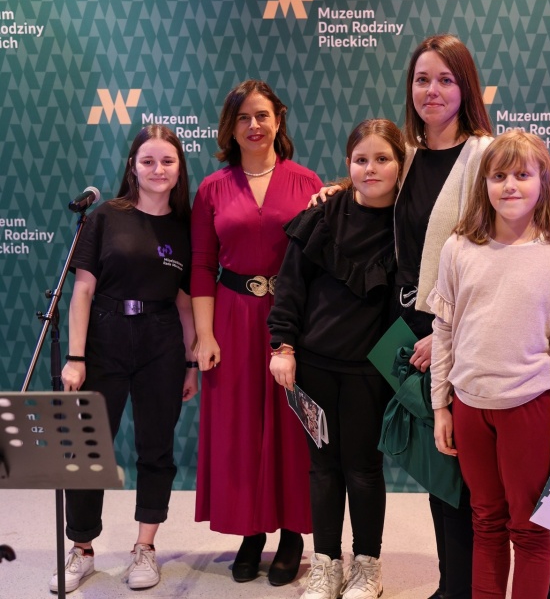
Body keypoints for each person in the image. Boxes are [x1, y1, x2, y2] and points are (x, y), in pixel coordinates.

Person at [314, 34, 493, 599]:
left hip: (460, 335)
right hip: (408, 333)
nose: (432, 90)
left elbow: (497, 256)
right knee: (439, 466)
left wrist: (448, 336)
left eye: (445, 79)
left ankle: (482, 585)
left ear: (466, 87)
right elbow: (375, 185)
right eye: (421, 79)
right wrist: (338, 188)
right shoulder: (409, 157)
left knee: (473, 472)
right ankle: (452, 583)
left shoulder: (486, 157)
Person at [427, 131, 550, 598]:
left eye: (522, 175)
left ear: (544, 182)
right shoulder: (458, 249)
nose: (509, 185)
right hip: (469, 407)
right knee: (485, 521)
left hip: (529, 408)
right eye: (498, 175)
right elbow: (444, 332)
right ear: (483, 183)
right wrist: (441, 405)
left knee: (529, 528)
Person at [50, 125, 199, 593]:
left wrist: (190, 362)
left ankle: (145, 548)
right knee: (87, 448)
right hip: (105, 337)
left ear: (179, 169)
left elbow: (185, 303)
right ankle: (82, 550)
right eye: (148, 160)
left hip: (161, 341)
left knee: (156, 448)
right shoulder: (105, 217)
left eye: (167, 161)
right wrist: (76, 357)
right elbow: (83, 291)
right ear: (133, 166)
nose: (158, 169)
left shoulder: (187, 226)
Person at [191, 79, 322, 586]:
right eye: (243, 117)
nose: (254, 125)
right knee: (240, 430)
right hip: (232, 317)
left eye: (262, 115)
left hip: (292, 318)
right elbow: (202, 266)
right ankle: (250, 533)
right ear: (230, 127)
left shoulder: (306, 182)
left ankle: (291, 535)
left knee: (291, 428)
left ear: (278, 120)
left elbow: (318, 262)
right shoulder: (212, 188)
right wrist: (205, 336)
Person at [269, 119, 403, 599]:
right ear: (349, 164)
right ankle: (325, 564)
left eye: (382, 159)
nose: (371, 168)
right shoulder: (323, 214)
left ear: (400, 165)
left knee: (363, 468)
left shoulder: (408, 225)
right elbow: (290, 286)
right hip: (315, 365)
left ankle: (368, 566)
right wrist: (282, 347)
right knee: (323, 468)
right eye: (361, 159)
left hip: (371, 371)